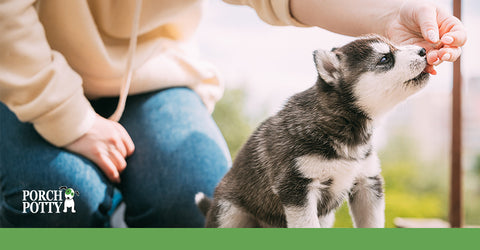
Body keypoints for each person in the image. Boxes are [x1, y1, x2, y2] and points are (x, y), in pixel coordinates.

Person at [0, 0, 466, 227]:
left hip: (148, 73)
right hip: (19, 77)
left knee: (187, 197)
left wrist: (384, 18)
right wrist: (68, 118)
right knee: (55, 198)